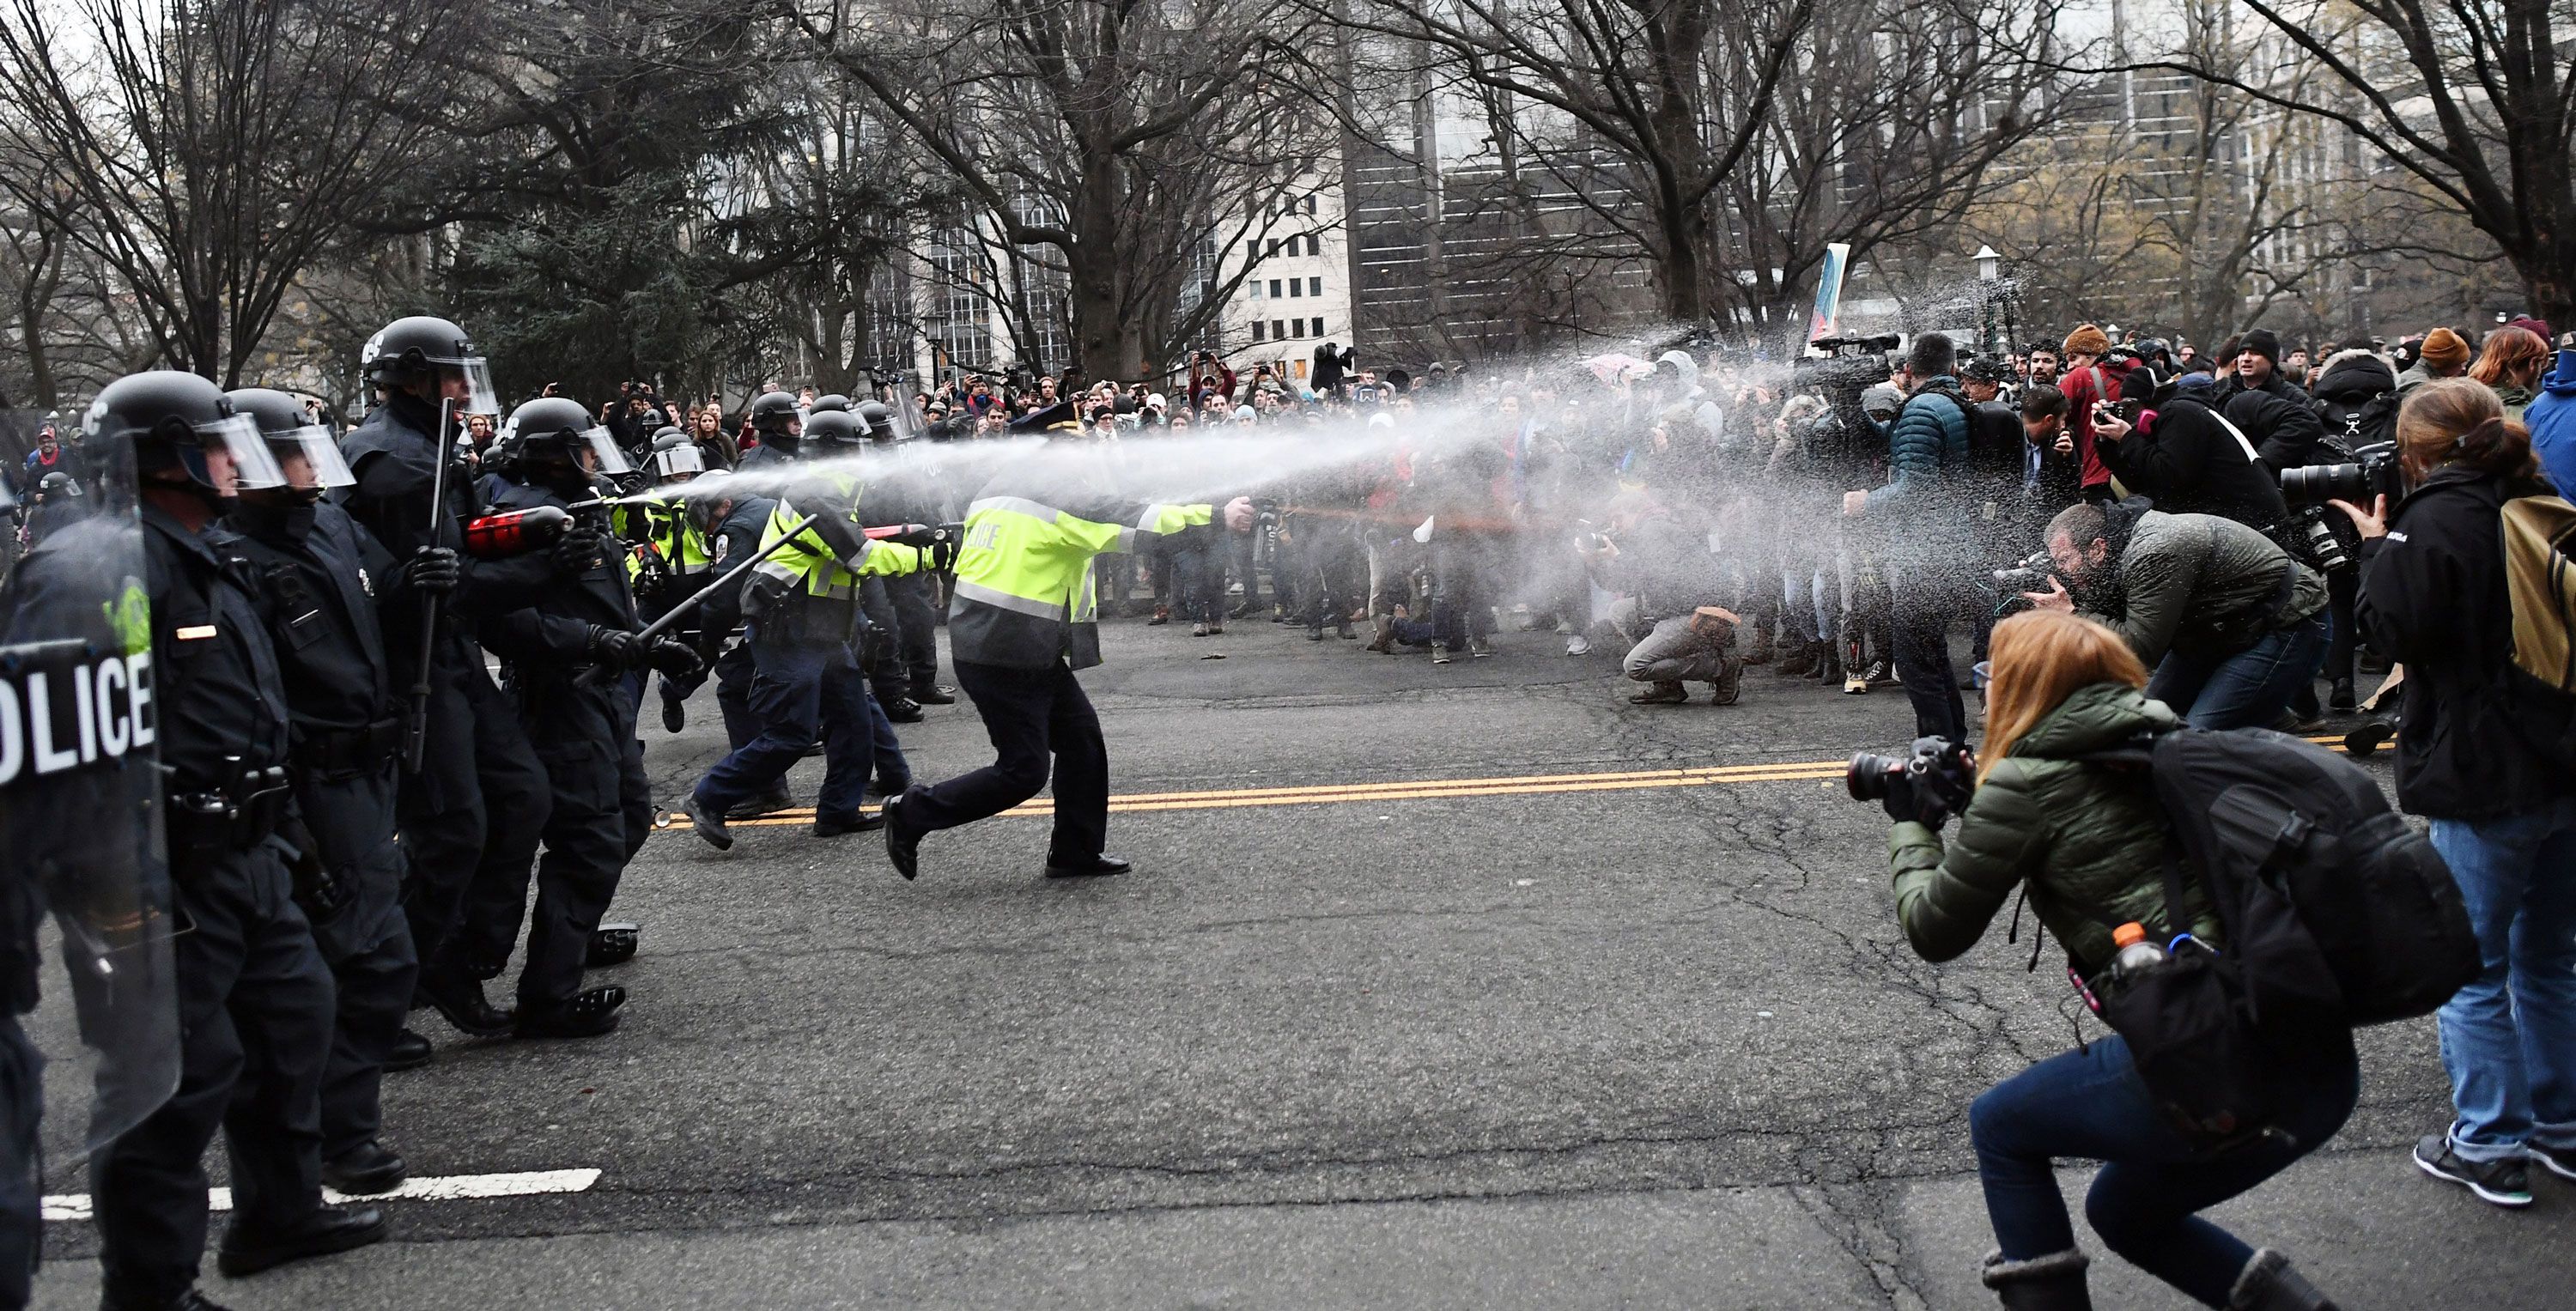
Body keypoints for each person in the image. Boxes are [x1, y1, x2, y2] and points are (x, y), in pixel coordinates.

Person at [1889, 608, 2352, 1311]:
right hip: (2315, 1060)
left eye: (1992, 674)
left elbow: (1934, 930)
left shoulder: (2026, 784)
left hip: (2222, 1063)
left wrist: (1912, 827)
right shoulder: (2170, 740)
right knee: (2125, 1210)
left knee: (2002, 1126)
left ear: (2017, 687)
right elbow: (2093, 824)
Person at [82, 372, 386, 1307]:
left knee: (294, 1026)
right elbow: (92, 734)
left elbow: (259, 716)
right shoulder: (116, 571)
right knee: (175, 1083)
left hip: (253, 850)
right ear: (166, 456)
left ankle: (280, 1214)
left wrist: (294, 840)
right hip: (169, 868)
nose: (237, 461)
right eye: (220, 445)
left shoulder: (208, 553)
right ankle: (148, 1289)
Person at [2340, 377, 2576, 1209]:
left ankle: (2488, 1140)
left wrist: (2376, 543)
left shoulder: (2438, 517)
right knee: (2550, 959)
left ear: (2417, 452)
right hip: (2561, 760)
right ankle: (2561, 1124)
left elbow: (2389, 633)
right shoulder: (2536, 495)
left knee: (2470, 968)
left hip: (2484, 772)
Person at [223, 387, 432, 1198]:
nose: (314, 465)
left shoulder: (331, 524)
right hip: (312, 779)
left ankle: (332, 1131)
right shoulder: (236, 561)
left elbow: (390, 601)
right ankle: (335, 1137)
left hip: (369, 768)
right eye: (295, 453)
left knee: (362, 956)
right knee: (364, 957)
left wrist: (421, 577)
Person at [880, 435, 1253, 882]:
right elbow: (1143, 523)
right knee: (1023, 770)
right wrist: (1217, 516)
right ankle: (912, 812)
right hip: (1007, 648)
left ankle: (1075, 850)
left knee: (1082, 743)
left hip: (1010, 644)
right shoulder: (1060, 500)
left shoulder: (996, 491)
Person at [338, 316, 547, 1043]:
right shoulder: (391, 461)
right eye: (453, 376)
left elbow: (466, 546)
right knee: (451, 830)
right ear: (417, 379)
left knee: (521, 795)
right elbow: (437, 585)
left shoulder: (432, 447)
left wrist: (532, 530)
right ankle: (382, 991)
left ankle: (460, 958)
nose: (466, 390)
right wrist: (541, 567)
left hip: (453, 658)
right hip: (416, 666)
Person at [463, 398, 697, 1038]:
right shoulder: (520, 517)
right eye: (585, 450)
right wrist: (592, 640)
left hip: (601, 689)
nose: (595, 461)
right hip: (560, 694)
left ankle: (571, 929)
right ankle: (549, 995)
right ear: (552, 455)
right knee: (588, 836)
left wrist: (648, 642)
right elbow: (505, 620)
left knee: (626, 816)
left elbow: (602, 600)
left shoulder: (576, 507)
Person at [688, 410, 946, 849]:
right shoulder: (815, 497)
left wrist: (908, 534)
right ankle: (709, 798)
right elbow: (862, 557)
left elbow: (851, 538)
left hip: (822, 628)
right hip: (785, 627)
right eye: (855, 451)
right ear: (832, 453)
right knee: (793, 733)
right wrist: (930, 558)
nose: (865, 459)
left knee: (853, 719)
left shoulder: (831, 492)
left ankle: (838, 811)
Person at [2023, 498, 2328, 731]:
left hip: (2286, 620)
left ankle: (2267, 720)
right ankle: (2262, 711)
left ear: (2097, 548)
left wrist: (2072, 614)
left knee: (2196, 735)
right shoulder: (2116, 546)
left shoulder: (2154, 552)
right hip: (2220, 629)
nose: (2061, 569)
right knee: (2148, 721)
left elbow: (2140, 650)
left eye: (2064, 560)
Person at [1844, 332, 1971, 744]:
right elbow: (1900, 445)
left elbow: (1915, 487)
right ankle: (1954, 745)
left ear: (1908, 372)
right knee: (1932, 654)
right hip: (1946, 549)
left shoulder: (1921, 410)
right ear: (1952, 369)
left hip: (1927, 555)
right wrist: (1852, 404)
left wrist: (1867, 503)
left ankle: (1941, 752)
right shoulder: (1947, 403)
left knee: (1915, 660)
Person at [1586, 493, 1742, 706]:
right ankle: (1667, 686)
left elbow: (1662, 575)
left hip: (1700, 611)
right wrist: (1592, 561)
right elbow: (1618, 583)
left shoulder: (1654, 530)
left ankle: (1721, 666)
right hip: (1675, 606)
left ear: (1636, 511)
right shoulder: (1643, 532)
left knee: (1635, 666)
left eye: (1618, 517)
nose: (1615, 525)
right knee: (1620, 611)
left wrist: (1618, 557)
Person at [2089, 368, 2291, 533]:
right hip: (2236, 522)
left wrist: (2128, 437)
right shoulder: (2176, 417)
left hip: (2254, 524)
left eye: (2132, 407)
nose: (2131, 418)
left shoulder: (2180, 413)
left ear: (2151, 402)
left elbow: (2170, 476)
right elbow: (2141, 482)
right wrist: (2107, 443)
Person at [2468, 325, 2551, 421]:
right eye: (2541, 364)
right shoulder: (2526, 413)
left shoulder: (2463, 397)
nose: (2540, 372)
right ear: (2532, 364)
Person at [2397, 327, 2470, 392]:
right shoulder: (2425, 390)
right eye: (2462, 363)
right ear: (2446, 363)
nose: (2463, 368)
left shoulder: (2407, 377)